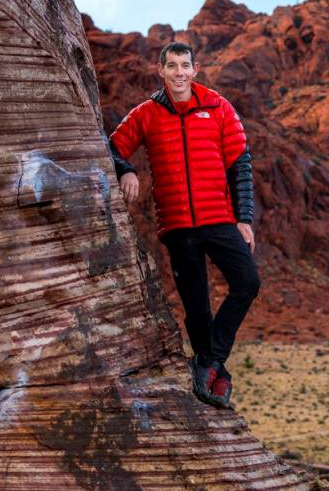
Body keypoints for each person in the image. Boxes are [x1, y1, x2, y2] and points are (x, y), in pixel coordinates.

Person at [108, 42, 258, 408]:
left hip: (218, 219)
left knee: (248, 282)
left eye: (184, 65)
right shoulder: (146, 113)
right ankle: (210, 375)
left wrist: (244, 219)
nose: (178, 72)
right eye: (171, 65)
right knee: (196, 306)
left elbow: (240, 165)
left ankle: (210, 360)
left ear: (195, 70)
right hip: (177, 226)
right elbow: (111, 147)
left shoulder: (218, 107)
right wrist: (125, 169)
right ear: (161, 71)